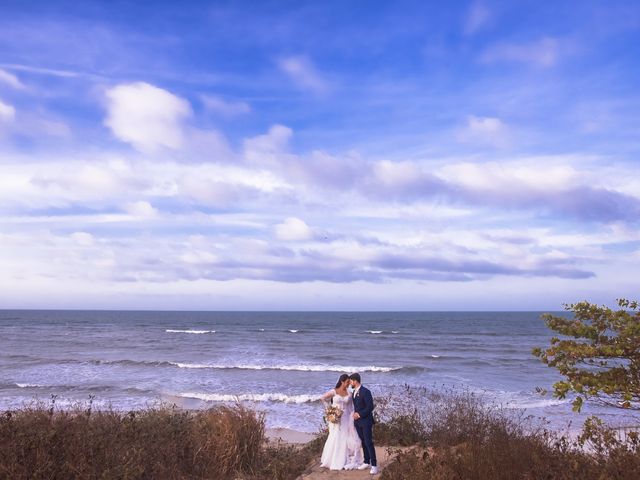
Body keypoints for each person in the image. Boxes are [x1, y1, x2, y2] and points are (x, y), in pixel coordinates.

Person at [319, 374, 364, 470]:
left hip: (347, 418)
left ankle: (345, 459)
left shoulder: (349, 392)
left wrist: (353, 416)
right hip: (336, 418)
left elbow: (351, 407)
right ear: (342, 381)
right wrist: (330, 410)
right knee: (335, 436)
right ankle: (332, 460)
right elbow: (322, 398)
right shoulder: (334, 391)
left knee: (345, 436)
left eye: (349, 382)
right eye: (347, 382)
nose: (349, 384)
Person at [350, 372, 378, 475]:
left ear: (355, 381)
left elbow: (370, 407)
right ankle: (366, 461)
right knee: (363, 442)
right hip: (357, 422)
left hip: (366, 421)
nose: (350, 383)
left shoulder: (366, 392)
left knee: (369, 442)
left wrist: (359, 414)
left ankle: (374, 465)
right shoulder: (354, 392)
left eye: (351, 381)